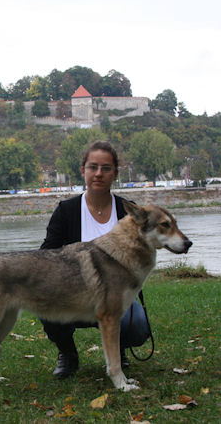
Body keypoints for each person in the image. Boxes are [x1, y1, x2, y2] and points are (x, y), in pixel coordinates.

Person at [40, 141, 150, 379]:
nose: (99, 173)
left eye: (106, 168)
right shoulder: (66, 210)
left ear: (115, 174)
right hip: (74, 295)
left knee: (138, 328)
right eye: (93, 167)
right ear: (83, 171)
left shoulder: (128, 212)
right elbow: (46, 255)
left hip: (117, 296)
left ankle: (118, 353)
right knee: (45, 304)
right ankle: (68, 354)